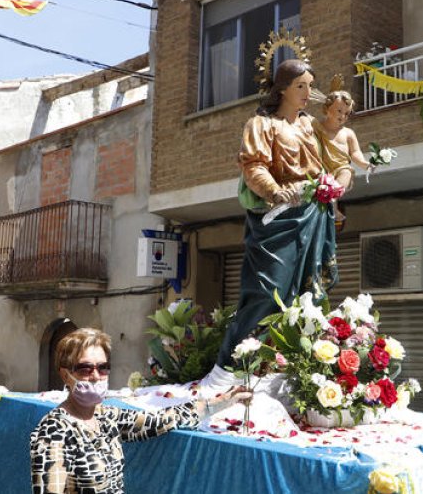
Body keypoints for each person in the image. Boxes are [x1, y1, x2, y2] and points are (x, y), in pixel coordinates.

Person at [213, 58, 338, 372]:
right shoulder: (262, 124)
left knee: (310, 293)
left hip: (313, 213)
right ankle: (234, 365)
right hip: (278, 216)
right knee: (270, 290)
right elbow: (253, 164)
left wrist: (333, 196)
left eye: (311, 85)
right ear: (283, 89)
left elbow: (327, 166)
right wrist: (274, 191)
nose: (308, 92)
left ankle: (292, 364)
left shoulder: (311, 126)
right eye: (301, 86)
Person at [30, 328, 248, 494]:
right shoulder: (53, 430)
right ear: (65, 374)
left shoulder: (107, 417)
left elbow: (161, 420)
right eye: (85, 368)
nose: (96, 376)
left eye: (103, 368)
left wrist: (223, 400)